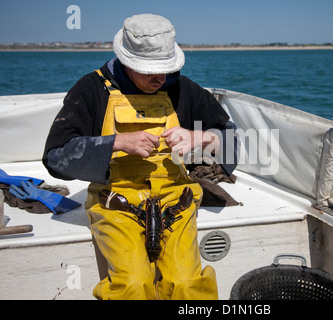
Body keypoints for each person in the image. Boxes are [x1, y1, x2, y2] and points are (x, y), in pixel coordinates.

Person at [42, 13, 238, 300]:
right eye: (149, 71)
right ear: (126, 61)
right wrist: (115, 143)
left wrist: (203, 137)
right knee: (132, 285)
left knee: (187, 286)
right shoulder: (91, 90)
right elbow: (56, 157)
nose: (160, 78)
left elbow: (235, 140)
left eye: (166, 69)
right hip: (116, 202)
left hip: (176, 201)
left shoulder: (183, 88)